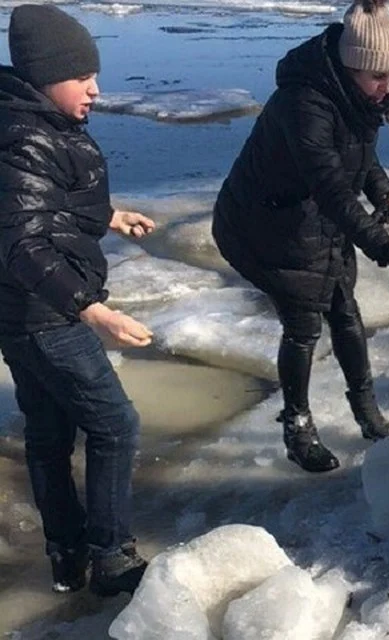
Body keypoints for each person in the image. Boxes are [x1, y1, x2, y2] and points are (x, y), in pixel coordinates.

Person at [213, 0, 389, 473]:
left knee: (345, 312)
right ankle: (297, 426)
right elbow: (332, 186)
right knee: (303, 325)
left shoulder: (355, 96)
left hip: (312, 218)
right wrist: (386, 249)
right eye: (378, 76)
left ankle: (367, 411)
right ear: (350, 66)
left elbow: (358, 156)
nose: (387, 87)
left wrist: (385, 194)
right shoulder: (304, 104)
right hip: (264, 225)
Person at [0, 4, 156, 596]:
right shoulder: (26, 139)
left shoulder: (33, 124)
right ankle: (111, 555)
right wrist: (91, 308)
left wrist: (109, 216)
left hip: (19, 311)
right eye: (82, 77)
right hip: (47, 313)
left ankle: (66, 554)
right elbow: (23, 243)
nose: (95, 89)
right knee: (115, 425)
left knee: (48, 432)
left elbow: (44, 206)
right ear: (44, 77)